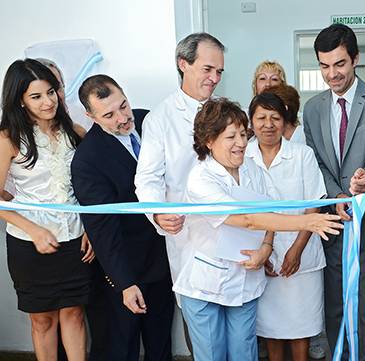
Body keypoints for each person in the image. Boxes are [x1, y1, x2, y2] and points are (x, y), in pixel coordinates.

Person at [173, 97, 343, 361]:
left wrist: (266, 247)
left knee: (245, 354)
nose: (241, 143)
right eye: (231, 137)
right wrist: (306, 222)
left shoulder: (251, 168)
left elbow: (267, 213)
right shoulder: (200, 179)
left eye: (242, 134)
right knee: (212, 356)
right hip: (207, 284)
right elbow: (247, 219)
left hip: (245, 281)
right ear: (209, 141)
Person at [303, 23, 365, 360]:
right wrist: (336, 196)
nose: (332, 74)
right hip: (332, 225)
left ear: (355, 59)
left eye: (340, 64)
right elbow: (316, 163)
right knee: (335, 310)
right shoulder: (312, 109)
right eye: (325, 65)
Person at [71, 75, 174, 361]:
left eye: (123, 106)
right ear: (90, 116)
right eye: (109, 114)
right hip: (124, 270)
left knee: (160, 343)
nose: (122, 117)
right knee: (121, 348)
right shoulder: (87, 159)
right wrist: (126, 284)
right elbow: (102, 228)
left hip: (165, 257)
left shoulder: (148, 121)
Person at [134, 32, 225, 355]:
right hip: (188, 238)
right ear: (183, 64)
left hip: (232, 232)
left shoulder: (226, 113)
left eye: (219, 72)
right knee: (202, 332)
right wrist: (157, 214)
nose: (214, 79)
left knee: (239, 327)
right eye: (208, 69)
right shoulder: (160, 119)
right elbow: (147, 179)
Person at [0, 59, 94, 361]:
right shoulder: (8, 138)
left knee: (75, 314)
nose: (48, 101)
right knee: (42, 320)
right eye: (36, 96)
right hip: (30, 245)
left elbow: (92, 187)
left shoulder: (75, 131)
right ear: (20, 101)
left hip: (75, 237)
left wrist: (91, 227)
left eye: (50, 92)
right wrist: (34, 229)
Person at [245, 93, 326, 361]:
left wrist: (296, 250)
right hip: (261, 255)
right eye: (261, 118)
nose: (268, 124)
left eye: (275, 118)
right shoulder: (243, 156)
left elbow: (314, 204)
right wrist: (263, 251)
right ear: (251, 121)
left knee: (300, 329)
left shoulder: (302, 155)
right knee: (270, 330)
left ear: (285, 121)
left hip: (301, 254)